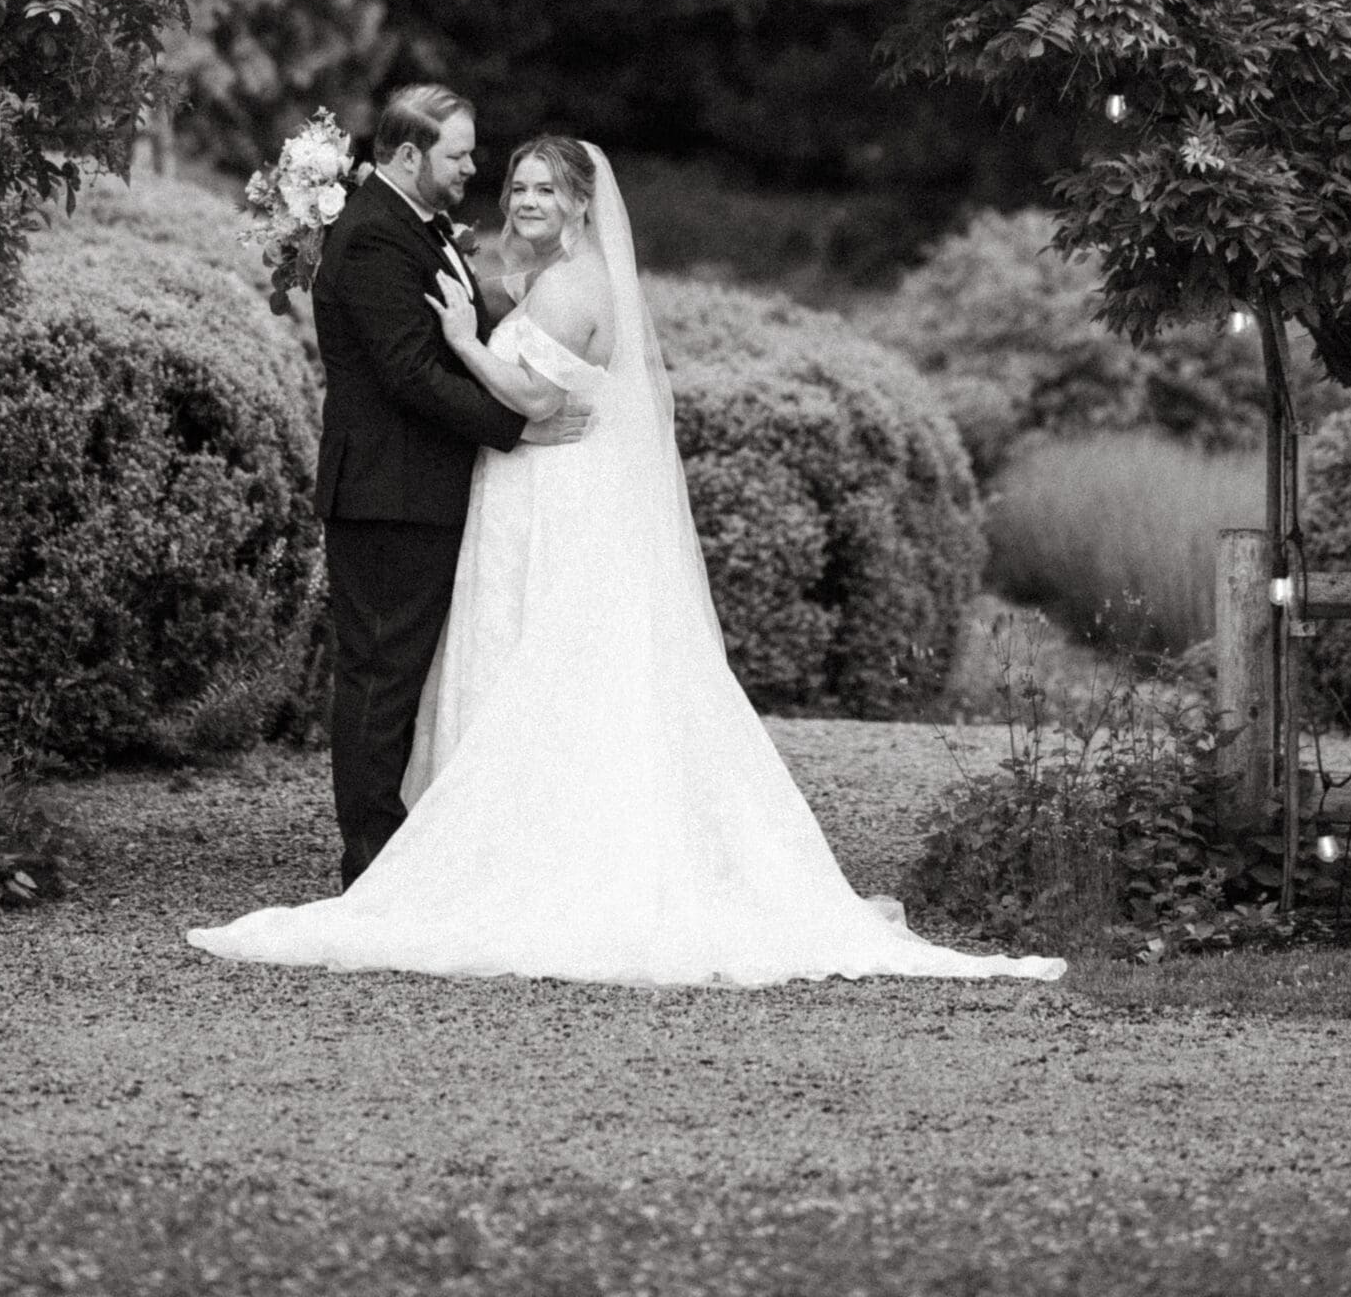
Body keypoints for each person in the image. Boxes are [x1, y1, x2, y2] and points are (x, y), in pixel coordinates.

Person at [189, 136, 1065, 985]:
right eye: (518, 187)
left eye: (545, 190)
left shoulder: (574, 284)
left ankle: (546, 859)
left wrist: (461, 341)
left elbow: (536, 394)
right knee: (529, 660)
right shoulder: (543, 279)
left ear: (579, 203)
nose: (527, 201)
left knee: (551, 664)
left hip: (555, 496)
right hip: (529, 492)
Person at [297, 84, 578, 893]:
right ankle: (370, 865)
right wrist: (515, 425)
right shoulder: (375, 240)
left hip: (416, 488)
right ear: (410, 155)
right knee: (379, 676)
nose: (471, 167)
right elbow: (412, 375)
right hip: (387, 493)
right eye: (457, 154)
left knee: (398, 676)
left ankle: (392, 849)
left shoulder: (410, 226)